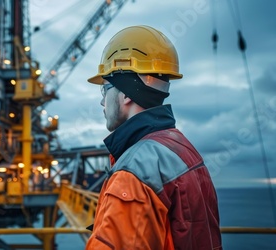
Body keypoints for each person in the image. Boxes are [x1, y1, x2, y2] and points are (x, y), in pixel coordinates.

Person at [85, 25, 222, 250]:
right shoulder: (183, 149)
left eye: (105, 89)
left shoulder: (133, 171)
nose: (102, 101)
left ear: (127, 92)